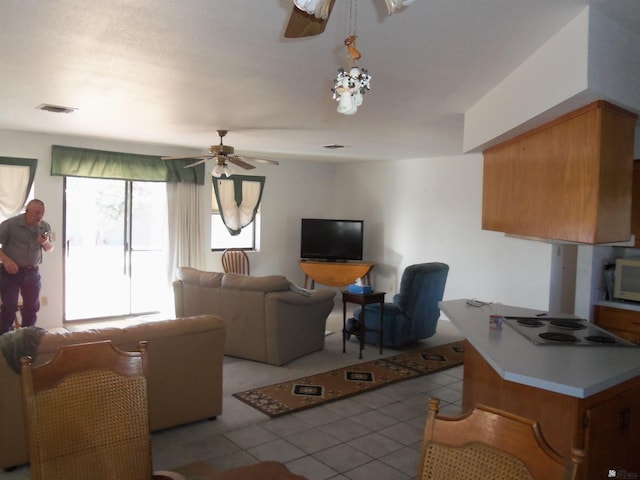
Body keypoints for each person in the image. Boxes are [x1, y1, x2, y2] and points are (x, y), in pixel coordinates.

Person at [0, 199, 54, 335]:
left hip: (32, 273)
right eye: (37, 213)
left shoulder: (44, 227)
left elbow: (50, 248)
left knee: (32, 307)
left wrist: (46, 242)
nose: (40, 216)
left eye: (42, 213)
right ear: (27, 211)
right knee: (10, 307)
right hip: (9, 273)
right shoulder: (9, 225)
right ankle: (4, 339)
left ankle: (26, 337)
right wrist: (6, 260)